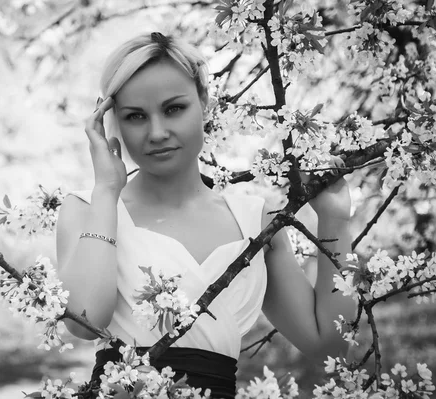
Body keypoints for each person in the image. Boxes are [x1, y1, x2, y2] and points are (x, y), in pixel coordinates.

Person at [56, 32, 356, 397]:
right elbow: (85, 323)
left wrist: (335, 220)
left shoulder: (253, 220)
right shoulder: (88, 210)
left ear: (204, 101)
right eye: (135, 116)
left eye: (173, 109)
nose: (157, 132)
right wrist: (106, 191)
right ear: (111, 121)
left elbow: (329, 344)